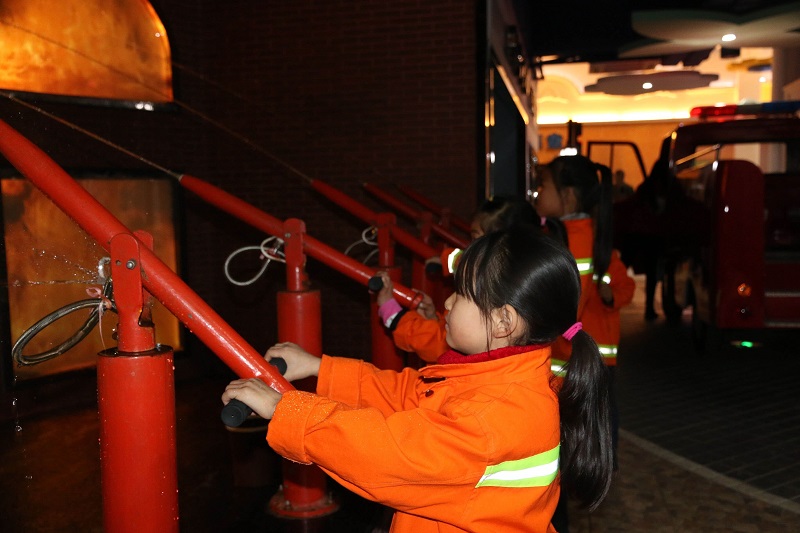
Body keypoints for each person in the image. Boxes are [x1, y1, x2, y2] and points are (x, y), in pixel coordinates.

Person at [222, 227, 614, 533]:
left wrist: (285, 411)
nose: (446, 302)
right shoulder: (500, 376)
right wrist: (320, 368)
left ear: (503, 321)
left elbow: (391, 453)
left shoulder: (493, 414)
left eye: (460, 293)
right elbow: (410, 394)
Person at [534, 154, 635, 532]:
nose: (536, 194)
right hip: (572, 358)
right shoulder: (551, 235)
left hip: (586, 359)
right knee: (582, 427)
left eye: (542, 186)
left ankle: (585, 475)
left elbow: (623, 286)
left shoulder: (591, 241)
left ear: (569, 195)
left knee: (585, 424)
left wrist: (610, 294)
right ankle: (585, 474)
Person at [378, 196, 541, 363]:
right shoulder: (527, 286)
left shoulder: (490, 290)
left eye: (463, 294)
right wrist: (434, 318)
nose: (448, 302)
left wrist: (392, 313)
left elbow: (437, 343)